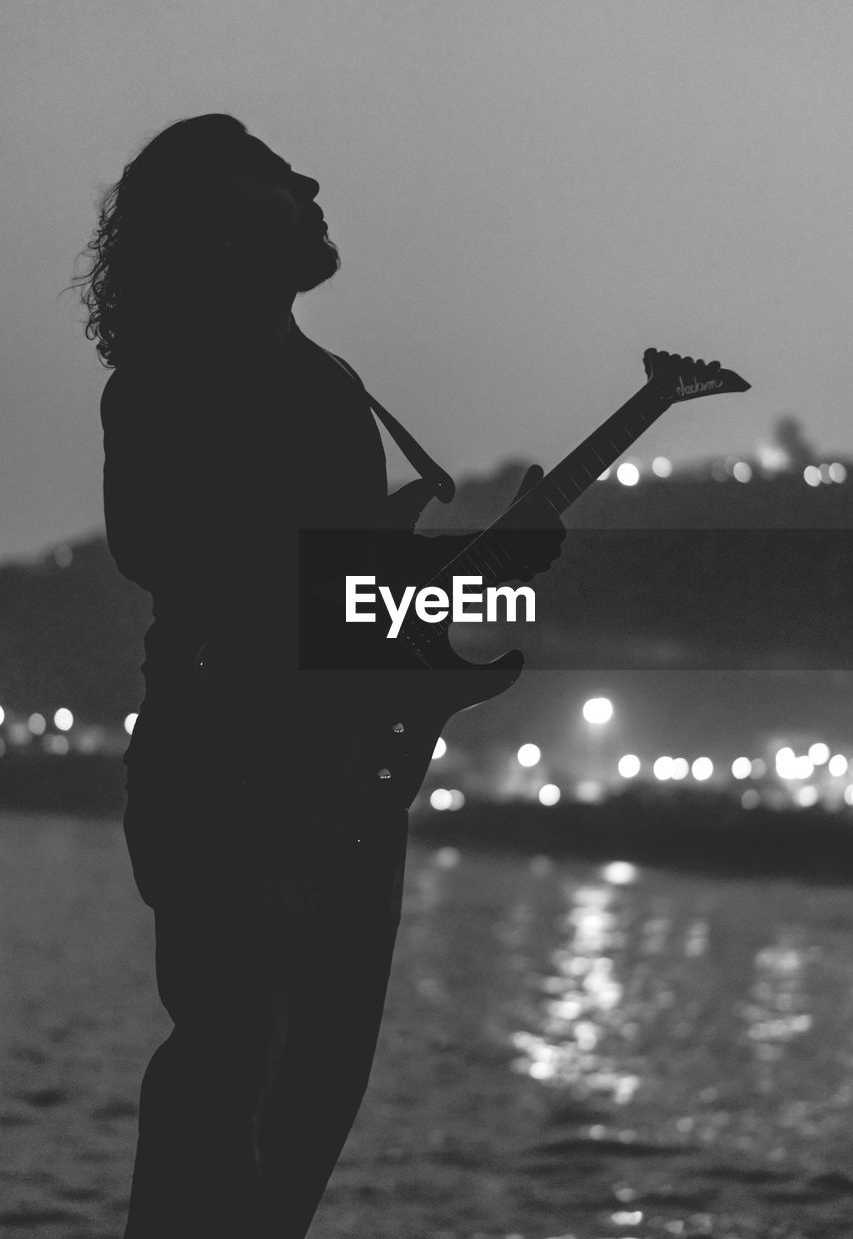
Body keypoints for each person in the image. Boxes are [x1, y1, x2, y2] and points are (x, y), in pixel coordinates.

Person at [78, 113, 564, 1238]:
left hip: (335, 768)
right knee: (233, 1067)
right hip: (235, 758)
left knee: (307, 1097)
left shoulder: (325, 377)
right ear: (217, 223)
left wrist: (471, 573)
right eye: (269, 173)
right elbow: (177, 556)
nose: (306, 179)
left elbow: (342, 606)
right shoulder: (167, 373)